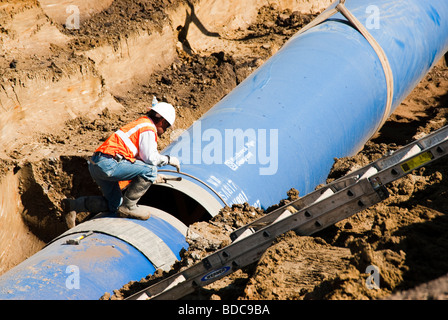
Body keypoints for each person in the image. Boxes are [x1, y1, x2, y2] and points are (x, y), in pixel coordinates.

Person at [62, 101, 181, 227]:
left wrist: (147, 178)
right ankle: (129, 207)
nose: (165, 131)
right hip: (109, 164)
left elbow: (137, 160)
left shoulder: (140, 124)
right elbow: (150, 159)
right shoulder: (148, 128)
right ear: (163, 122)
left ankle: (73, 206)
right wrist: (168, 160)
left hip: (96, 163)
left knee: (115, 205)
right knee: (151, 170)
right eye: (167, 128)